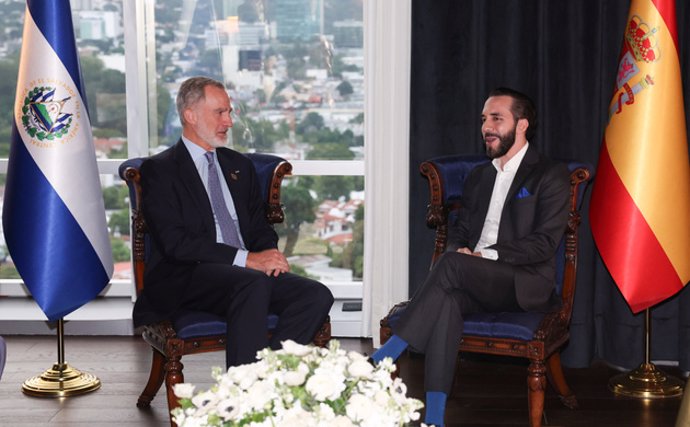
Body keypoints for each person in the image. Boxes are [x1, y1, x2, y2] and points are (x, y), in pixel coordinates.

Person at [371, 87, 570, 426]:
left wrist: (483, 255)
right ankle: (435, 417)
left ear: (521, 125)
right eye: (483, 119)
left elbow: (543, 244)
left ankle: (387, 354)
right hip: (472, 277)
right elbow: (460, 232)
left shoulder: (549, 175)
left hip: (523, 283)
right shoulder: (479, 176)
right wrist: (461, 252)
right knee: (447, 298)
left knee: (451, 266)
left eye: (496, 119)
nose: (486, 127)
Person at [132, 76, 334, 368]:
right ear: (190, 116)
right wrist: (247, 259)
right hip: (188, 275)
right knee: (251, 283)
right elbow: (176, 243)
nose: (229, 121)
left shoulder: (238, 165)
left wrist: (269, 254)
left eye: (229, 112)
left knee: (315, 295)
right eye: (220, 113)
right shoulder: (160, 171)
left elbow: (258, 225)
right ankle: (243, 392)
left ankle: (266, 379)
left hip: (245, 273)